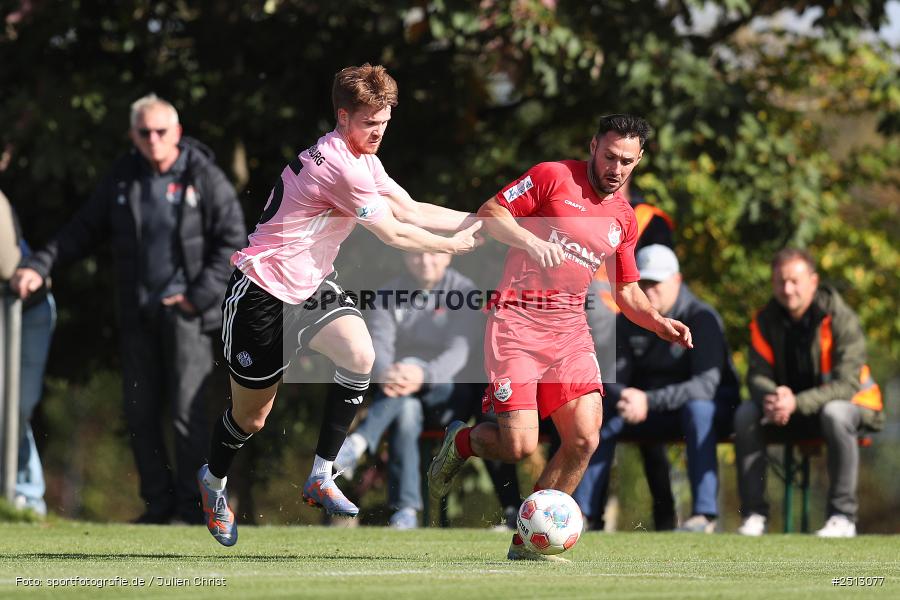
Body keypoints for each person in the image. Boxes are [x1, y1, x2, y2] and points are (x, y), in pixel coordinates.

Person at [196, 63, 482, 547]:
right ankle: (213, 482)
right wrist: (457, 245)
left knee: (360, 355)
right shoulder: (340, 165)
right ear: (343, 116)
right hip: (262, 293)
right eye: (371, 123)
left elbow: (410, 208)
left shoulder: (364, 159)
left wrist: (481, 218)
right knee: (252, 419)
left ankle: (322, 474)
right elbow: (393, 232)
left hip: (310, 288)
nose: (379, 132)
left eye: (385, 123)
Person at [427, 114, 693, 561]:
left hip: (570, 331)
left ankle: (529, 543)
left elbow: (627, 291)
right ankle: (463, 442)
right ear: (593, 146)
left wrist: (657, 321)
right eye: (609, 156)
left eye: (627, 161)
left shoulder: (624, 219)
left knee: (585, 439)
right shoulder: (553, 177)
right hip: (515, 323)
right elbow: (492, 213)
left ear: (639, 160)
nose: (616, 167)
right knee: (519, 445)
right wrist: (531, 243)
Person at [10, 95, 246, 524]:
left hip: (189, 318)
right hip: (138, 316)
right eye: (144, 133)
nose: (153, 140)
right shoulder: (123, 178)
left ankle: (194, 510)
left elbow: (233, 242)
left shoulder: (203, 176)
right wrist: (39, 264)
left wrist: (195, 298)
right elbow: (82, 230)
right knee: (139, 413)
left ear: (176, 133)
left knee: (186, 415)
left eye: (160, 132)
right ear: (133, 135)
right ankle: (157, 508)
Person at [573, 244, 740, 533]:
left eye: (656, 283)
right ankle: (582, 515)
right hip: (647, 410)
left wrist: (648, 400)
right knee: (600, 410)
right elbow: (611, 376)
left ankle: (704, 516)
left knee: (698, 409)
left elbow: (705, 386)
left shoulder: (703, 318)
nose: (649, 291)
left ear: (676, 281)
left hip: (709, 410)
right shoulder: (628, 320)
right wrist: (623, 395)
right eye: (643, 283)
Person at [735, 248, 883, 538]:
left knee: (835, 413)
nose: (787, 289)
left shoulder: (840, 317)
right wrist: (775, 397)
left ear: (813, 281)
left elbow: (847, 384)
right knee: (745, 415)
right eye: (780, 282)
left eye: (794, 281)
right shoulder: (764, 320)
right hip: (789, 412)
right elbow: (756, 375)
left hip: (852, 406)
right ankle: (754, 515)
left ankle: (842, 517)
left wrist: (796, 402)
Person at [333, 251, 483, 529]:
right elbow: (379, 346)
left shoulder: (465, 291)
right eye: (418, 255)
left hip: (450, 395)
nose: (426, 261)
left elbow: (459, 352)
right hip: (401, 393)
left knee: (405, 386)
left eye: (434, 255)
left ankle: (360, 443)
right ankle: (406, 513)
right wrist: (389, 373)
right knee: (407, 411)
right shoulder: (387, 294)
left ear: (448, 256)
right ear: (405, 258)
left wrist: (422, 374)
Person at [584, 179, 677, 531]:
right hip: (596, 332)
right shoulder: (577, 215)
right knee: (588, 419)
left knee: (648, 433)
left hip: (640, 329)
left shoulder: (651, 220)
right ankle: (584, 512)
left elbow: (659, 278)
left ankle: (666, 517)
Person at [0, 191, 57, 517]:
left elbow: (8, 266)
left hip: (27, 312)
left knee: (16, 406)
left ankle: (27, 497)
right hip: (7, 309)